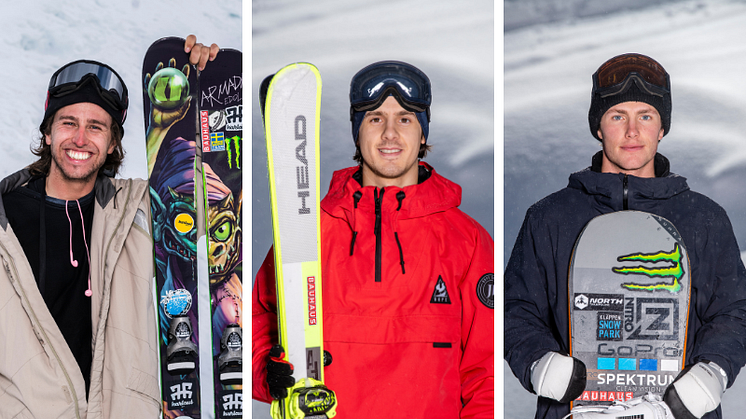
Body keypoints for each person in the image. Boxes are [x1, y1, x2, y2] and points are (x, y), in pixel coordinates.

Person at [504, 53, 746, 419]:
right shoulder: (550, 217)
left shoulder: (704, 219)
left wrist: (713, 370)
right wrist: (538, 360)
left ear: (662, 127)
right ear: (598, 127)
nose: (632, 131)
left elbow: (735, 310)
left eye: (645, 116)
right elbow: (516, 309)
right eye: (618, 116)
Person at [252, 61, 494, 417]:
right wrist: (265, 372)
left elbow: (483, 373)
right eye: (376, 118)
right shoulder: (308, 230)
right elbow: (256, 318)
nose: (390, 134)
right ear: (357, 131)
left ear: (423, 133)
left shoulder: (467, 241)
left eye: (405, 119)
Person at [0, 36, 218, 418]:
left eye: (96, 127)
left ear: (114, 144)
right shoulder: (4, 216)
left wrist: (206, 93)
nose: (80, 139)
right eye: (69, 123)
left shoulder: (137, 210)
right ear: (48, 133)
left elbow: (216, 200)